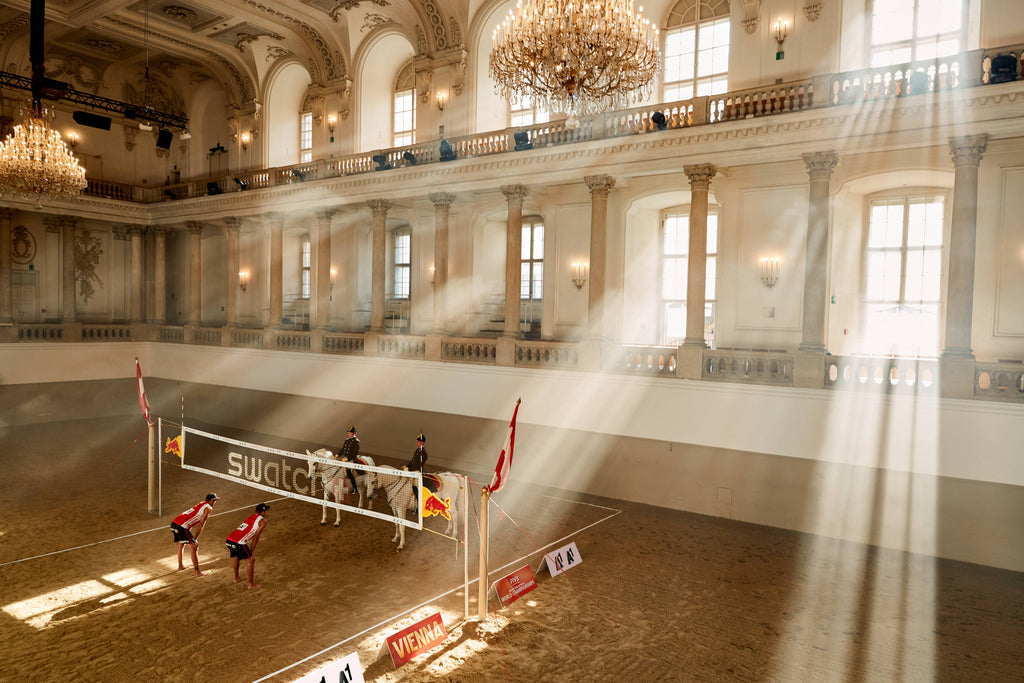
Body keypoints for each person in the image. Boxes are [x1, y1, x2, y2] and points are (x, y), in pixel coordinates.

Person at [170, 493, 219, 577]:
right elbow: (201, 524)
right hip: (182, 526)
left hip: (175, 524)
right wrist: (195, 539)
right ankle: (197, 572)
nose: (215, 502)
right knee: (194, 547)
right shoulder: (208, 508)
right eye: (214, 500)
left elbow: (190, 520)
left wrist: (191, 536)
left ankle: (180, 566)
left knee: (182, 544)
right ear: (210, 500)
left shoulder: (201, 503)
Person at [226, 503, 269, 589]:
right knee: (251, 559)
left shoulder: (251, 517)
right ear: (263, 512)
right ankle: (251, 584)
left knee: (237, 556)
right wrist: (251, 551)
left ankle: (236, 578)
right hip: (238, 542)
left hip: (229, 539)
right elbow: (256, 537)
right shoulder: (263, 521)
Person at [338, 425, 360, 494]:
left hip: (351, 459)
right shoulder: (347, 440)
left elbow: (354, 453)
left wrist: (347, 458)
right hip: (344, 458)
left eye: (350, 432)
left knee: (348, 471)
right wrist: (338, 455)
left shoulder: (356, 441)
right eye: (348, 432)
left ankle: (354, 488)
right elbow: (343, 449)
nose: (349, 434)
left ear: (354, 433)